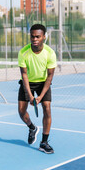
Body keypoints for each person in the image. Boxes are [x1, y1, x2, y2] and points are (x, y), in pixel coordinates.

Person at [18, 24, 57, 154]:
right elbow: (24, 74)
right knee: (21, 112)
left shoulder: (50, 53)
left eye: (38, 37)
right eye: (32, 36)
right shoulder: (23, 52)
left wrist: (40, 97)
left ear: (44, 37)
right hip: (28, 81)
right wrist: (30, 95)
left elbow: (50, 76)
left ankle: (44, 142)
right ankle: (32, 128)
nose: (34, 39)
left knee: (47, 107)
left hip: (43, 83)